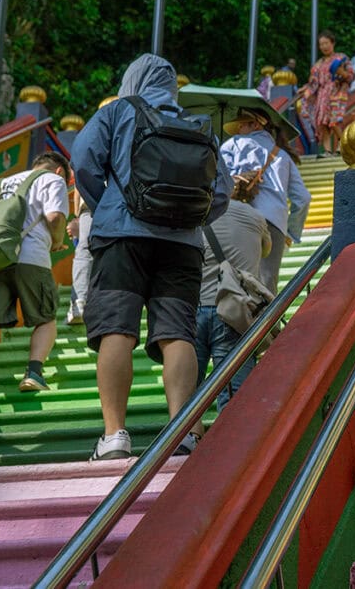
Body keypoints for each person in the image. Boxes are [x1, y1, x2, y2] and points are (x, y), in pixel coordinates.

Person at [72, 53, 232, 460]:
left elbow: (82, 160)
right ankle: (183, 432)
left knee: (117, 331)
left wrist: (110, 203)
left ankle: (114, 436)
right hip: (182, 246)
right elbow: (224, 192)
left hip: (121, 239)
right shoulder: (198, 125)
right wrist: (189, 219)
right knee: (177, 335)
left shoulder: (120, 111)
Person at [0, 152, 70, 392]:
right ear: (59, 171)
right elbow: (55, 217)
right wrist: (57, 241)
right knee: (46, 318)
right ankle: (34, 373)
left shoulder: (0, 184)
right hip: (31, 257)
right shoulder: (52, 180)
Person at [195, 186, 271, 413]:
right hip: (235, 313)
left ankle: (185, 440)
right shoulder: (255, 217)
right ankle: (231, 446)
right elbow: (266, 251)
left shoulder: (192, 214)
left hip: (194, 310)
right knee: (234, 397)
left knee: (187, 393)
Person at [220, 108, 310, 296]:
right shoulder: (283, 156)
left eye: (242, 124)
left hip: (236, 218)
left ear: (255, 123)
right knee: (267, 284)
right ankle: (268, 324)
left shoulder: (232, 145)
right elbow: (302, 198)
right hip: (273, 221)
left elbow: (218, 181)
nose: (239, 129)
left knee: (235, 281)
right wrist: (290, 232)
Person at [299, 30, 355, 157]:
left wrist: (342, 73)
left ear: (333, 43)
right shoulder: (318, 64)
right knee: (322, 123)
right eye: (321, 44)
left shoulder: (342, 58)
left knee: (334, 120)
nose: (324, 46)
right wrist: (305, 89)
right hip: (322, 95)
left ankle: (343, 144)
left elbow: (351, 76)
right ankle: (328, 151)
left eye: (326, 43)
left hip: (337, 92)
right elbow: (313, 82)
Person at [66, 189, 92, 325]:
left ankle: (79, 302)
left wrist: (77, 216)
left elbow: (78, 186)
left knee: (84, 250)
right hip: (122, 204)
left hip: (89, 205)